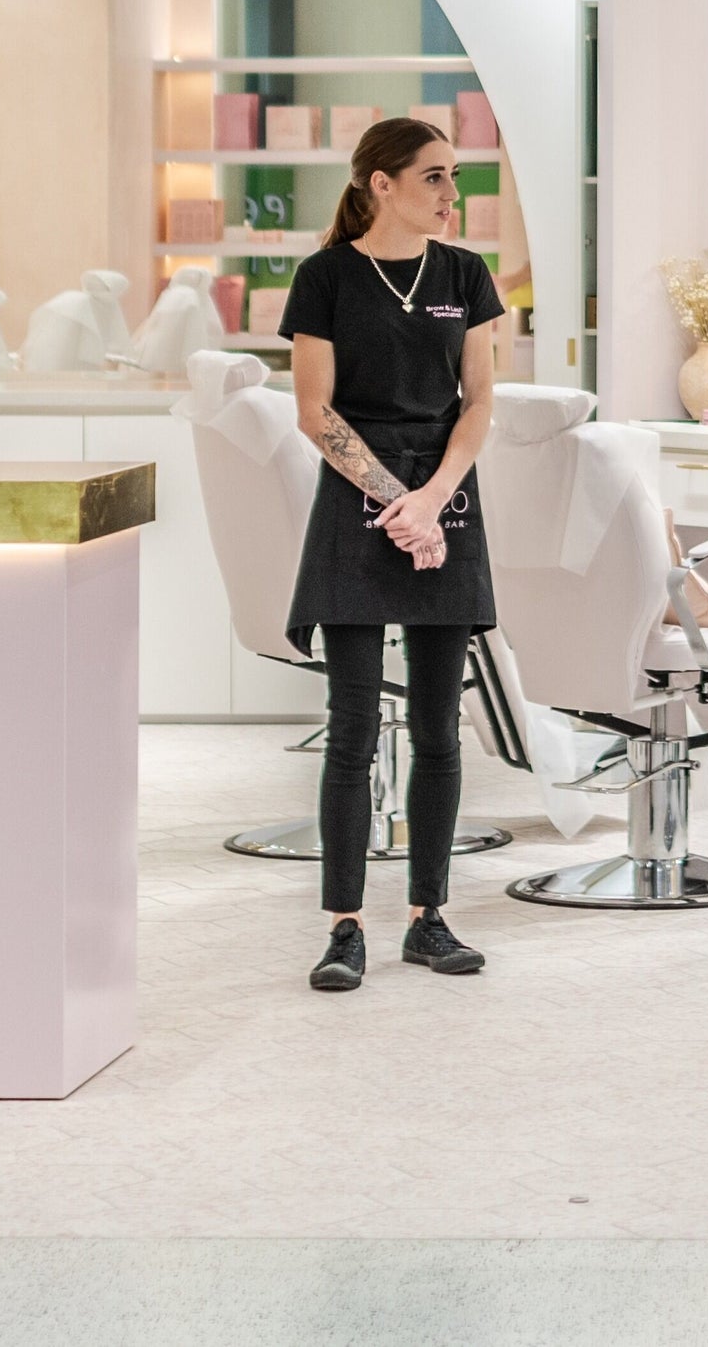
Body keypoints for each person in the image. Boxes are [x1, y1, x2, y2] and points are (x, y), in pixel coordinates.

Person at [279, 115, 501, 993]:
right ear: (382, 183)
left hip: (444, 502)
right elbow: (315, 414)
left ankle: (429, 917)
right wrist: (393, 500)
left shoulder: (464, 276)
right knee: (354, 732)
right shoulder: (326, 278)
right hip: (359, 504)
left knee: (442, 731)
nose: (453, 195)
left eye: (455, 177)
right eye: (436, 178)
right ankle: (343, 926)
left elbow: (479, 404)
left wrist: (432, 500)